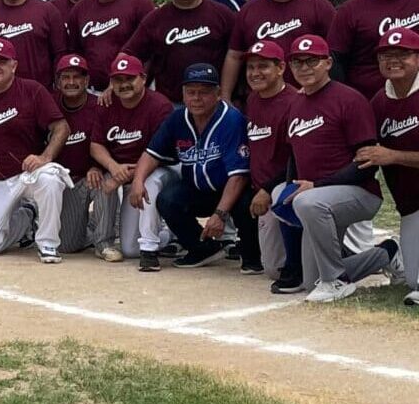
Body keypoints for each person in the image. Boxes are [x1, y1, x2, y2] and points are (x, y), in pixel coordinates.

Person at [263, 35, 396, 303]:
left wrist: (316, 187)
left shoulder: (349, 99)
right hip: (316, 198)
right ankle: (387, 253)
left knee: (309, 202)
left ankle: (335, 281)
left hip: (358, 193)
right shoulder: (296, 103)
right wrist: (290, 187)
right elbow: (293, 155)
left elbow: (365, 165)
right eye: (297, 62)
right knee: (311, 280)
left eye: (312, 60)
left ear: (327, 63)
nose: (304, 67)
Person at [346, 28, 419, 304]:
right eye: (386, 55)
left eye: (402, 54)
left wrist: (394, 156)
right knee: (413, 278)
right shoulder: (379, 101)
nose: (393, 60)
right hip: (412, 202)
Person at [0, 38, 71, 260]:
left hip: (29, 173)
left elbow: (61, 127)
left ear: (14, 66)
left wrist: (45, 157)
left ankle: (47, 243)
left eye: (2, 62)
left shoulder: (32, 90)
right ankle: (27, 218)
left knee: (50, 178)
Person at [139, 63, 254, 269]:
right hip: (198, 188)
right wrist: (138, 182)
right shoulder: (178, 118)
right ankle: (201, 249)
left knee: (245, 202)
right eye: (191, 92)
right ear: (183, 94)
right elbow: (151, 154)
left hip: (230, 190)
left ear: (218, 93)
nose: (196, 98)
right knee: (168, 199)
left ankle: (252, 254)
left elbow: (239, 176)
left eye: (204, 92)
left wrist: (219, 214)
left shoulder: (232, 119)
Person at [85, 53, 173, 268]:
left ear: (143, 78)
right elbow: (96, 145)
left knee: (149, 184)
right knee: (130, 249)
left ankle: (169, 233)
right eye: (118, 80)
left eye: (129, 79)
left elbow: (160, 154)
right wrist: (114, 168)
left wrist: (130, 176)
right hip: (124, 171)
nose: (124, 85)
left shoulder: (159, 105)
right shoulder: (106, 103)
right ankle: (163, 235)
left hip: (156, 170)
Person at [225, 0, 334, 92]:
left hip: (311, 95)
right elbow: (234, 56)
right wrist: (226, 97)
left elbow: (336, 53)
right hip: (263, 99)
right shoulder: (249, 10)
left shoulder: (318, 5)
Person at [124, 0, 235, 99]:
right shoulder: (155, 19)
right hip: (170, 103)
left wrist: (227, 95)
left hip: (213, 101)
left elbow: (237, 55)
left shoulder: (222, 14)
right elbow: (128, 54)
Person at [50, 55, 107, 256]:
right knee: (66, 246)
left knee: (102, 181)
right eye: (66, 77)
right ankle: (90, 226)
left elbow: (110, 144)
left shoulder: (100, 105)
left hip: (91, 175)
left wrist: (97, 166)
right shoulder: (49, 103)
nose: (71, 82)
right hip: (67, 180)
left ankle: (105, 242)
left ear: (87, 81)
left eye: (77, 77)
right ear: (58, 82)